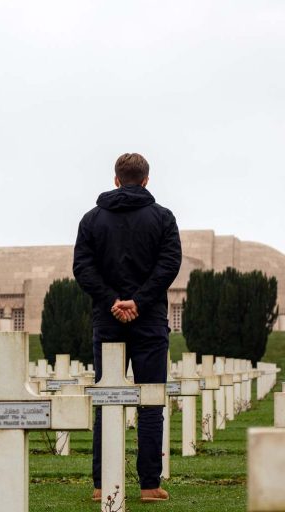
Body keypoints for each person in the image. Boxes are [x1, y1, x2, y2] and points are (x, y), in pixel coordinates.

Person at [73, 153, 182, 503]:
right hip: (148, 322)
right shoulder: (162, 218)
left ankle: (102, 484)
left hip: (108, 321)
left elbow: (83, 267)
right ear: (146, 180)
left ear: (116, 179)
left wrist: (112, 300)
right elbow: (168, 264)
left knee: (108, 401)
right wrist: (140, 301)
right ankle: (149, 485)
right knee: (150, 404)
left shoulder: (92, 220)